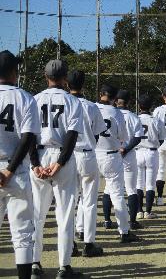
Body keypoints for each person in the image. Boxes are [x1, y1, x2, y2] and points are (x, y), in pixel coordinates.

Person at [30, 59, 85, 278]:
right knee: (64, 214)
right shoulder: (72, 101)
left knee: (37, 214)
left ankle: (34, 263)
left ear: (46, 76)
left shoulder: (33, 100)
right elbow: (71, 136)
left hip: (40, 154)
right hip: (63, 156)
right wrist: (60, 163)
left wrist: (35, 164)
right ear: (64, 78)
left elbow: (29, 136)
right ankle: (64, 267)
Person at [0, 50, 40, 279]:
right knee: (23, 232)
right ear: (15, 71)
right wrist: (9, 170)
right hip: (17, 171)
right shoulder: (24, 97)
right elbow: (27, 139)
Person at [67, 70, 106, 257]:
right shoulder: (92, 106)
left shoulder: (64, 103)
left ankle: (70, 244)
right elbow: (97, 134)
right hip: (88, 154)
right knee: (89, 202)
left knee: (69, 202)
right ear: (83, 85)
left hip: (67, 156)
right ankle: (89, 244)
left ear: (67, 84)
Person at [95, 84, 138, 243]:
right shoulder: (117, 112)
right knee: (117, 194)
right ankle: (124, 232)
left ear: (100, 94)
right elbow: (122, 137)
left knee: (87, 196)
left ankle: (82, 231)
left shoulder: (91, 108)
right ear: (114, 99)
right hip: (111, 155)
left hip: (92, 154)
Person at [136, 94, 166, 219]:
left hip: (138, 151)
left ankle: (139, 211)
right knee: (150, 184)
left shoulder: (135, 119)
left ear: (139, 106)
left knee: (139, 184)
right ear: (151, 107)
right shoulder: (156, 120)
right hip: (151, 152)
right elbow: (161, 139)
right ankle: (148, 212)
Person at [115, 90, 143, 229]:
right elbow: (137, 138)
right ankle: (132, 221)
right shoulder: (133, 117)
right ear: (129, 102)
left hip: (112, 154)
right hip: (129, 154)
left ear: (116, 101)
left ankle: (108, 220)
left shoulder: (111, 114)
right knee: (131, 189)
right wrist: (125, 149)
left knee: (110, 189)